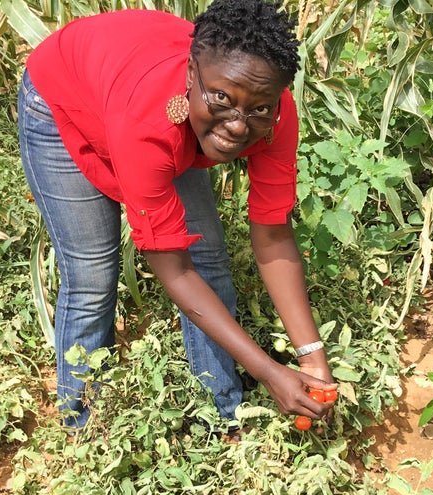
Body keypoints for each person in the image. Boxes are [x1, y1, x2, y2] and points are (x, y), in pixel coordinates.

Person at [18, 0, 337, 434]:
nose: (239, 127)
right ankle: (83, 427)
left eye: (258, 109)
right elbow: (174, 269)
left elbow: (273, 236)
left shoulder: (273, 113)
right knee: (93, 274)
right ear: (191, 74)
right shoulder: (148, 124)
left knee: (210, 257)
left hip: (158, 100)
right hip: (64, 99)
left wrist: (311, 354)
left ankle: (221, 418)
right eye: (223, 98)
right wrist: (268, 371)